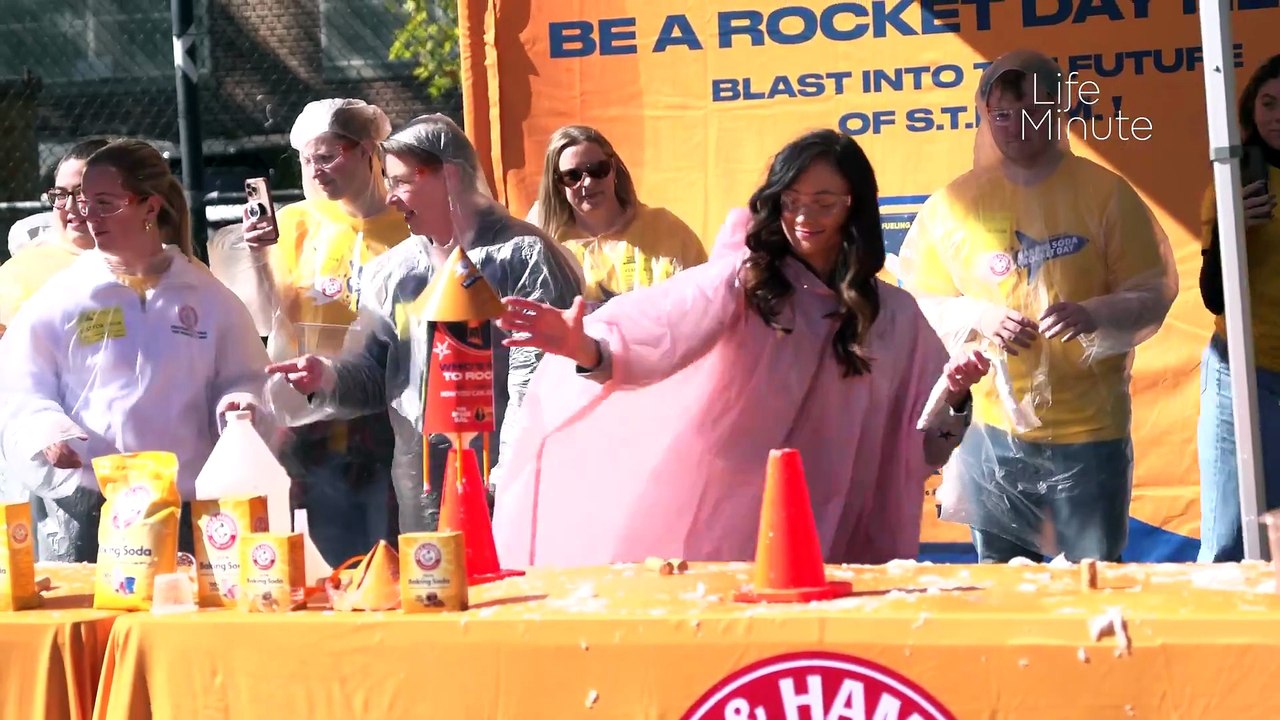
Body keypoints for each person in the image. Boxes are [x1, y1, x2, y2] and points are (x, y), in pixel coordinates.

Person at [489, 129, 991, 567]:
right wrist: (585, 347)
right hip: (735, 526)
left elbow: (922, 447)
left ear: (853, 207)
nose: (804, 216)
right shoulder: (743, 285)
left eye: (824, 202)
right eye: (791, 201)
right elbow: (660, 332)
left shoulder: (893, 316)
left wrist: (953, 396)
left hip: (844, 535)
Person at [898, 50, 1177, 564]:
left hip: (1090, 429)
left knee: (1091, 581)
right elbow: (917, 301)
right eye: (1003, 113)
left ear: (1057, 108)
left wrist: (1096, 313)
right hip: (992, 428)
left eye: (1032, 110)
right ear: (985, 114)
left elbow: (1152, 289)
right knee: (1002, 586)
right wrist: (978, 317)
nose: (1016, 126)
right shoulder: (954, 206)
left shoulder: (1105, 194)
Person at [266, 115, 582, 533]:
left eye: (402, 182)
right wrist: (326, 377)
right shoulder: (395, 273)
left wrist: (508, 473)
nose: (392, 198)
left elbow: (538, 380)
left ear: (449, 176)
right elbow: (379, 373)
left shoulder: (522, 257)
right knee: (435, 571)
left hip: (519, 485)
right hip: (424, 487)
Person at [0, 139, 271, 560]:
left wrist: (241, 403)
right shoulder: (65, 296)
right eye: (85, 202)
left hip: (184, 504)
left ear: (150, 206)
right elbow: (20, 383)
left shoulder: (206, 297)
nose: (88, 215)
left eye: (105, 203)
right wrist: (46, 429)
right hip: (91, 501)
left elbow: (249, 377)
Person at [243, 98, 406, 567]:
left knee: (387, 542)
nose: (315, 171)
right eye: (306, 160)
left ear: (367, 151)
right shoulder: (295, 224)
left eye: (328, 156)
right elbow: (264, 317)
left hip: (385, 403)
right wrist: (258, 256)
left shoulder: (407, 220)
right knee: (319, 548)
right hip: (307, 411)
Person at [1197, 54, 1280, 562]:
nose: (1277, 116)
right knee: (1229, 540)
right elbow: (1214, 297)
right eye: (1268, 103)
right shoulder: (1234, 182)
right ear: (1252, 110)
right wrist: (1234, 232)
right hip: (1244, 373)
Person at [528, 125, 706, 305]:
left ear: (613, 169)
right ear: (558, 184)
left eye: (598, 169)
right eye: (573, 176)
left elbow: (703, 301)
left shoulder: (665, 230)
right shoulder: (547, 245)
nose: (588, 182)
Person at [0, 138, 111, 333]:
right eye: (60, 194)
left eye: (82, 193)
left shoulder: (155, 263)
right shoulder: (21, 272)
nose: (70, 205)